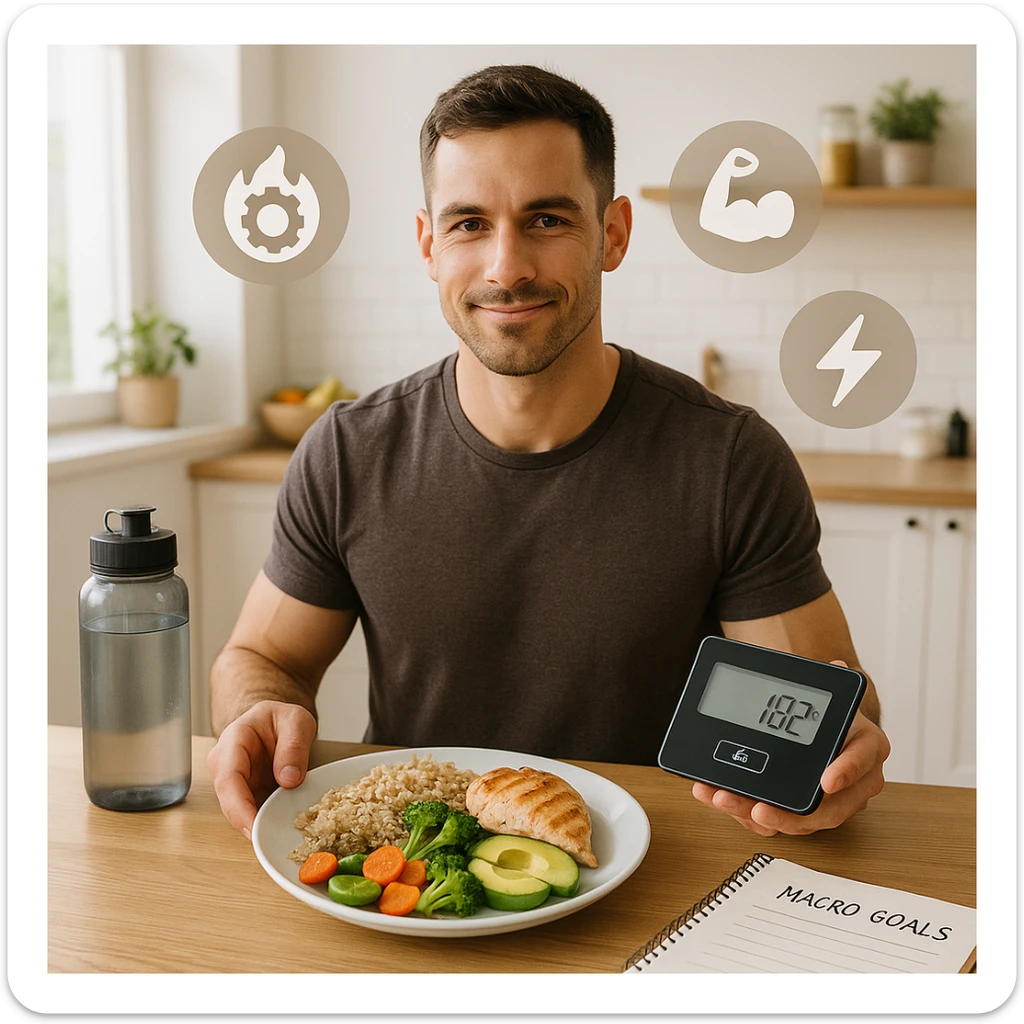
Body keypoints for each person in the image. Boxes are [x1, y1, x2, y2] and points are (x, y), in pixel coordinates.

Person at [207, 64, 890, 844]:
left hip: (652, 876)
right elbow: (262, 655)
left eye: (547, 220)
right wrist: (256, 708)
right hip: (415, 880)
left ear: (615, 233)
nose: (507, 267)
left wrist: (844, 750)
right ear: (429, 245)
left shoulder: (729, 460)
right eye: (468, 223)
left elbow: (826, 709)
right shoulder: (347, 453)